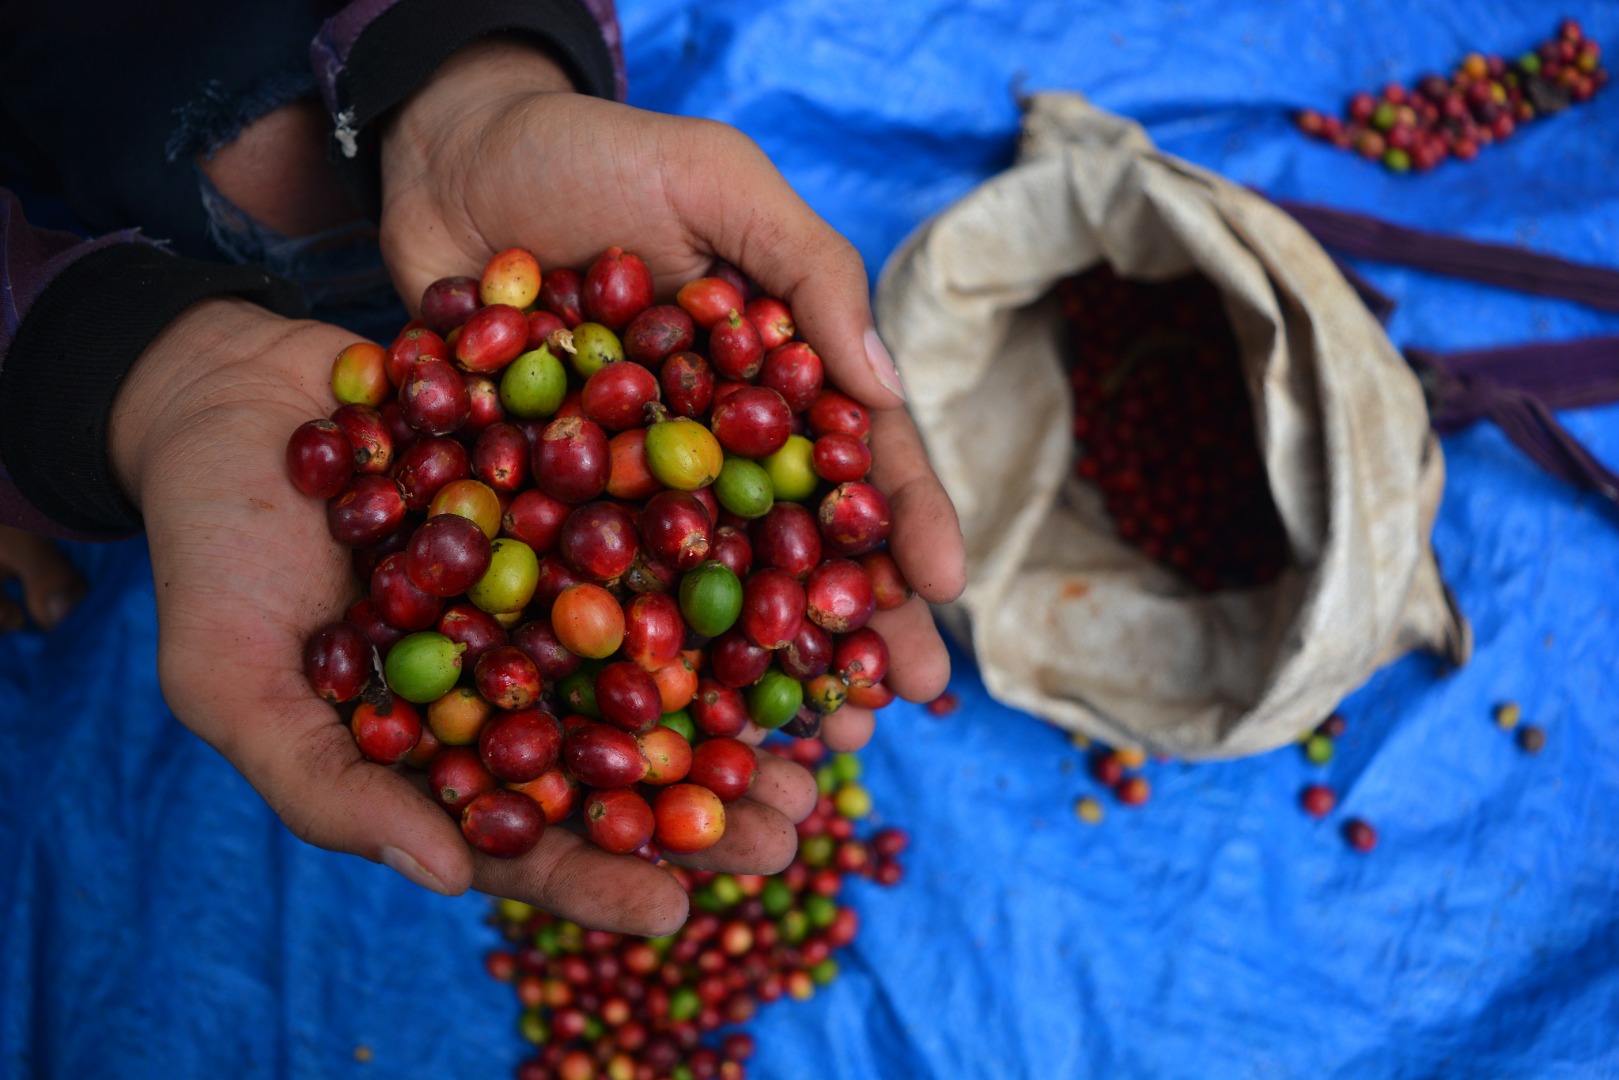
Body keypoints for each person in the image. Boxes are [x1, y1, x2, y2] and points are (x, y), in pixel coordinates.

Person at [0, 0, 966, 936]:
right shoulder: (516, 507)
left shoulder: (582, 490)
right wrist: (98, 377)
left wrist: (469, 65)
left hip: (366, 146)